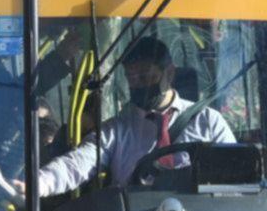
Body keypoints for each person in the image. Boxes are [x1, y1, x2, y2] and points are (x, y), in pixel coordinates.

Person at [22, 37, 235, 199]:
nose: (138, 84)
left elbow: (236, 176)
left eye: (145, 76)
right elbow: (76, 164)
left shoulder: (208, 121)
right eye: (131, 78)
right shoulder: (116, 130)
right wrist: (38, 185)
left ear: (169, 73)